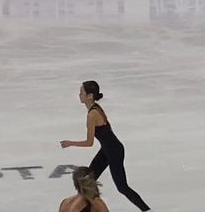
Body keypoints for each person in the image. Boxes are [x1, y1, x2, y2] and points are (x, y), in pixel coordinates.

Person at [60, 81, 152, 212]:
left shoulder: (92, 114)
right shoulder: (96, 108)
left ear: (90, 96)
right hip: (107, 149)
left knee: (122, 187)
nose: (79, 95)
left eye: (82, 93)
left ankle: (146, 210)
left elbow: (89, 142)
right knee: (88, 181)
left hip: (114, 151)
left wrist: (70, 143)